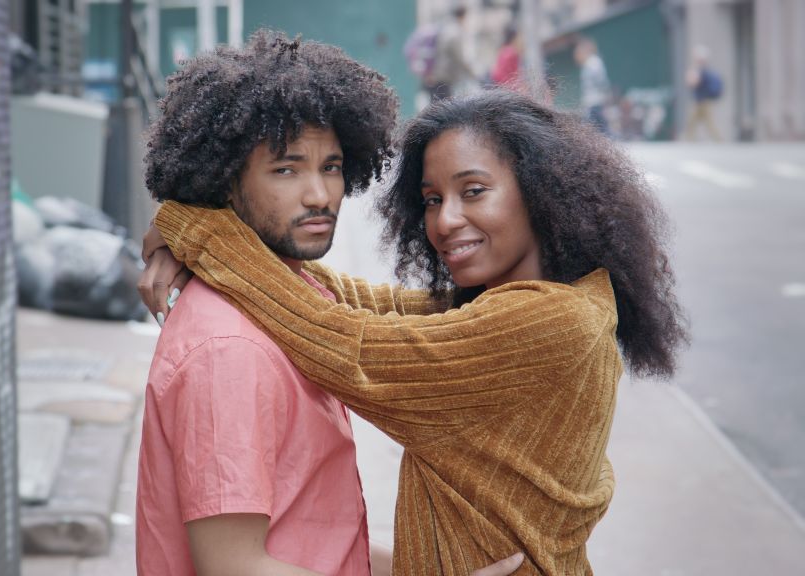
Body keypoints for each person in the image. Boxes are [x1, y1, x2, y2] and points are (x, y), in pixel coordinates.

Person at [143, 89, 688, 574]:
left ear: (543, 193)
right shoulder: (531, 300)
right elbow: (345, 301)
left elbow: (342, 340)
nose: (445, 220)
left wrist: (198, 230)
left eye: (473, 191)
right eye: (432, 200)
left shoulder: (550, 322)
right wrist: (210, 240)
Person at [135, 31, 523, 576]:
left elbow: (317, 542)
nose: (319, 195)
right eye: (286, 169)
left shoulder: (290, 297)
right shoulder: (229, 349)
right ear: (224, 183)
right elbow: (235, 567)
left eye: (332, 167)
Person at [426, 4, 478, 101]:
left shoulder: (447, 28)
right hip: (445, 76)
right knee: (443, 107)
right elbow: (459, 58)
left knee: (438, 105)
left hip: (439, 74)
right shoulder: (455, 33)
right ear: (463, 16)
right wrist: (473, 73)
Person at [573, 37, 612, 136]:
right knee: (597, 126)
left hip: (595, 100)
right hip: (592, 101)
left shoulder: (593, 63)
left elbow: (601, 82)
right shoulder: (589, 64)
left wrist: (605, 95)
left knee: (596, 126)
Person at [683, 45, 723, 141]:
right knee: (697, 122)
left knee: (701, 122)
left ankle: (718, 140)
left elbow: (693, 82)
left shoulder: (702, 71)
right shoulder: (704, 70)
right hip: (702, 100)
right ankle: (690, 139)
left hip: (702, 101)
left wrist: (690, 77)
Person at [489, 24, 523, 91]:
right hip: (506, 88)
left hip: (497, 85)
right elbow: (514, 77)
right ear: (514, 38)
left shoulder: (503, 50)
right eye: (520, 37)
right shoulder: (512, 52)